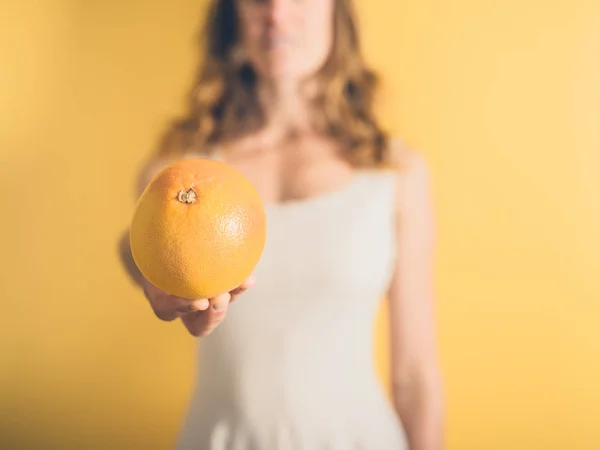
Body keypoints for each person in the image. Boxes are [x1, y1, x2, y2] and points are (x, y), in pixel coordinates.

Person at [119, 0, 444, 448]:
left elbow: (414, 375)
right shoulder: (181, 169)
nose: (276, 14)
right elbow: (136, 248)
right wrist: (151, 274)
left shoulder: (395, 171)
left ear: (338, 13)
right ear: (232, 15)